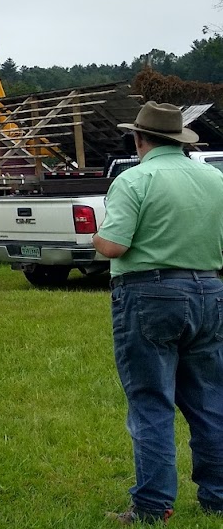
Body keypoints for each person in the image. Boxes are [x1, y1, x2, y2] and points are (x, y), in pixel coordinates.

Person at [93, 101, 223, 524]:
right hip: (209, 289)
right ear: (180, 140)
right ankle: (217, 496)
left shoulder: (135, 179)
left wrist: (96, 236)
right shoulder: (214, 178)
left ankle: (152, 507)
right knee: (209, 400)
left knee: (151, 402)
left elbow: (114, 246)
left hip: (149, 294)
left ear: (139, 138)